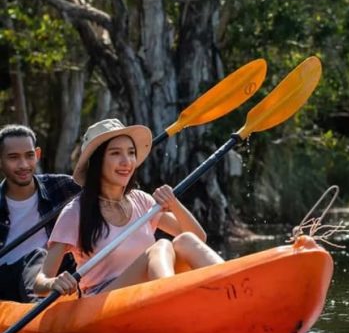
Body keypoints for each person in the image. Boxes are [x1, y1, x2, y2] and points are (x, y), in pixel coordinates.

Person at [34, 118, 223, 297]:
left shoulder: (141, 200)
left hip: (145, 291)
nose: (127, 161)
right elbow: (39, 283)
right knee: (161, 246)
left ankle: (232, 284)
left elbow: (199, 238)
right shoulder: (75, 212)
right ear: (97, 162)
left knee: (185, 241)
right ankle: (172, 300)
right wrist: (53, 283)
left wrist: (174, 204)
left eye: (131, 152)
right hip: (102, 300)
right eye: (115, 153)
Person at [0, 124, 81, 302]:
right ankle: (39, 310)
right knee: (37, 255)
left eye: (29, 156)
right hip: (8, 283)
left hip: (60, 275)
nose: (23, 165)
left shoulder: (64, 187)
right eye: (13, 157)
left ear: (37, 155)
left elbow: (108, 195)